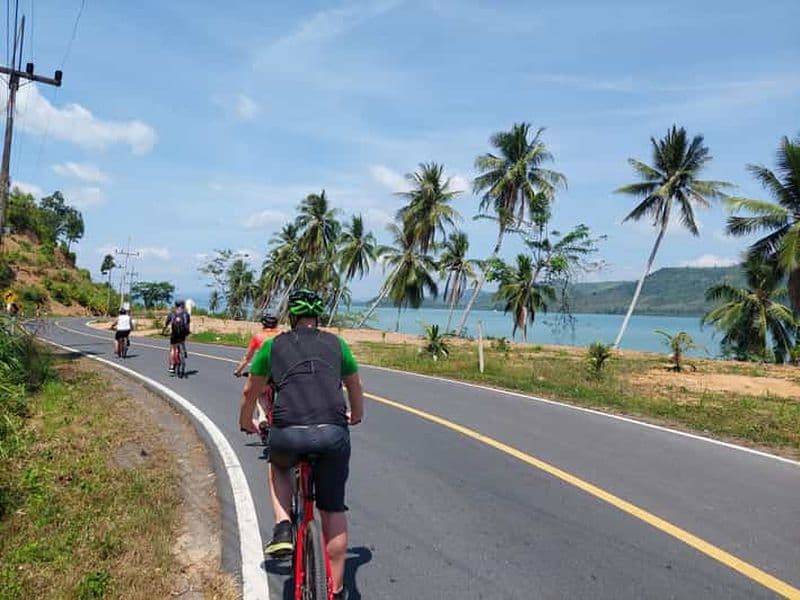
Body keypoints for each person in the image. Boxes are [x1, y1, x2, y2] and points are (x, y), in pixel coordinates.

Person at [239, 289, 364, 600]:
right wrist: (356, 415)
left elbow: (249, 392)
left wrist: (246, 421)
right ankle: (334, 589)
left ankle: (283, 526)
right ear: (317, 317)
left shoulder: (272, 346)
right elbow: (354, 385)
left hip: (288, 432)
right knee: (332, 510)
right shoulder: (337, 344)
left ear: (291, 318)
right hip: (333, 433)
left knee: (279, 465)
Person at [234, 312, 280, 436]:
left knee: (259, 395)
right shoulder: (282, 336)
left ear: (263, 324)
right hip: (281, 374)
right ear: (276, 324)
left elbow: (247, 358)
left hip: (265, 374)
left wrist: (238, 371)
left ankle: (263, 419)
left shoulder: (258, 337)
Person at [163, 300, 190, 373]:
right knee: (182, 341)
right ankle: (183, 351)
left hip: (174, 333)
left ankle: (172, 366)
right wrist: (188, 332)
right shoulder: (186, 314)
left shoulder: (172, 314)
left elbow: (166, 323)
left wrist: (163, 331)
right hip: (182, 333)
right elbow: (187, 325)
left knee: (173, 349)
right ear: (182, 305)